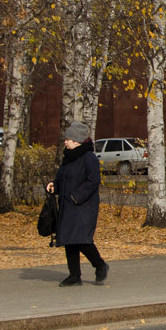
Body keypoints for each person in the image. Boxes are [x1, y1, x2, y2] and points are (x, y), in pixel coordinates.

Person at [46, 121, 108, 287]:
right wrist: (55, 186)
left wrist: (76, 197)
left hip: (83, 206)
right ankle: (74, 275)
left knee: (81, 239)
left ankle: (100, 265)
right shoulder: (69, 158)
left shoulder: (89, 158)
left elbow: (93, 181)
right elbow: (63, 179)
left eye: (68, 139)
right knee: (68, 238)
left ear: (77, 141)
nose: (65, 142)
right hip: (68, 205)